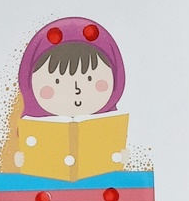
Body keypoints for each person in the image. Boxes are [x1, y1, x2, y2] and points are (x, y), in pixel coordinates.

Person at [13, 17, 129, 177]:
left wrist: (121, 157)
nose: (77, 89)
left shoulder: (111, 126)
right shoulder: (31, 126)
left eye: (90, 78)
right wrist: (22, 159)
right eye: (57, 81)